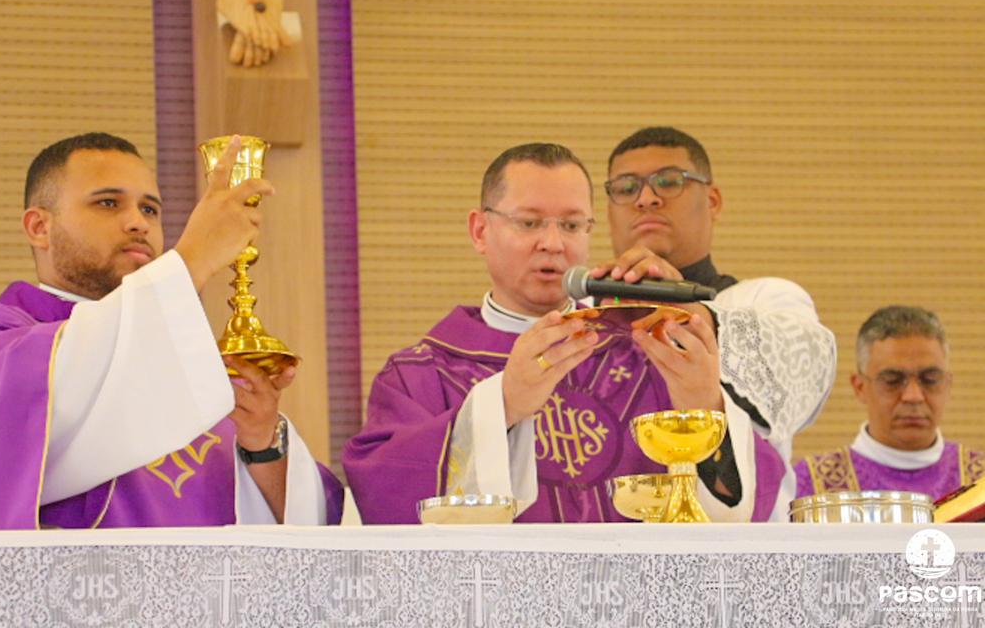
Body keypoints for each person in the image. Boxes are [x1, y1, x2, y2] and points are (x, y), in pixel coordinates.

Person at [0, 132, 342, 530]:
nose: (139, 223)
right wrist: (191, 259)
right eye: (108, 203)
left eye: (150, 209)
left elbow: (305, 531)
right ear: (40, 227)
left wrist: (263, 442)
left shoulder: (188, 357)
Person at [343, 143, 785, 523]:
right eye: (529, 223)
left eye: (572, 225)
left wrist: (706, 406)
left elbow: (751, 499)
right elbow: (382, 492)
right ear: (480, 231)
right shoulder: (422, 373)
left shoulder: (645, 354)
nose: (553, 243)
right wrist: (503, 406)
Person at [597, 126, 837, 516]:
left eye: (668, 181)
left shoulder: (765, 300)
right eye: (626, 188)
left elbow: (802, 366)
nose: (646, 198)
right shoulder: (581, 317)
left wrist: (684, 312)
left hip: (737, 542)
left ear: (712, 201)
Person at [795, 306, 984, 500]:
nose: (913, 396)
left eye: (929, 380)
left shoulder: (980, 482)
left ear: (948, 384)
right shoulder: (810, 483)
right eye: (892, 380)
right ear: (859, 387)